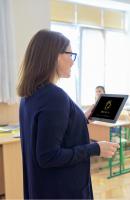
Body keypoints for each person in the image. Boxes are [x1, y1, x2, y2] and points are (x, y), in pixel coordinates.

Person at [17, 29, 119, 199]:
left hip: (42, 187)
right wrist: (96, 148)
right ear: (55, 56)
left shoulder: (30, 95)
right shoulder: (54, 97)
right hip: (62, 188)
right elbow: (48, 156)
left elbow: (51, 132)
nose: (72, 62)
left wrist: (81, 118)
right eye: (70, 54)